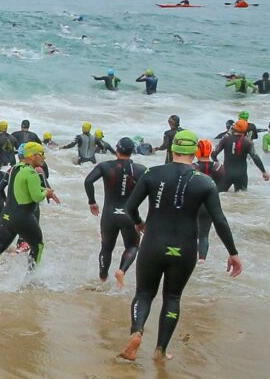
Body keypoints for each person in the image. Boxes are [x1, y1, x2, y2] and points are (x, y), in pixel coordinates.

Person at [118, 131, 241, 362]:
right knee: (172, 297)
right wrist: (232, 253)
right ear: (194, 152)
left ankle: (136, 332)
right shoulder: (205, 182)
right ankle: (160, 351)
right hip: (184, 248)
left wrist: (139, 224)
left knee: (144, 294)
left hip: (153, 243)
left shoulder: (151, 174)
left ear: (173, 149)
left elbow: (130, 207)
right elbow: (219, 220)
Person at [0, 142, 57, 280]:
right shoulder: (32, 172)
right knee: (38, 246)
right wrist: (47, 192)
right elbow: (37, 197)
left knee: (0, 246)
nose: (44, 157)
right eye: (42, 154)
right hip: (23, 217)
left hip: (7, 215)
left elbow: (6, 189)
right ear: (32, 156)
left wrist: (43, 191)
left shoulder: (15, 168)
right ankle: (31, 278)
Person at [85, 138, 145, 285]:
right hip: (129, 215)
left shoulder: (105, 166)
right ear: (132, 152)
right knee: (132, 246)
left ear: (117, 150)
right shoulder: (141, 169)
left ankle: (102, 279)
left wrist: (92, 202)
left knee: (106, 248)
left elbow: (88, 181)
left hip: (109, 215)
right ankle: (121, 271)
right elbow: (150, 190)